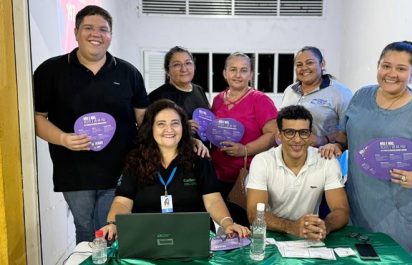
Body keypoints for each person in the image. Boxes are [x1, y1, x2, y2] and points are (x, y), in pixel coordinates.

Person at [321, 41, 412, 256]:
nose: (391, 74)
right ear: (378, 66)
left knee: (391, 258)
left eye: (401, 69)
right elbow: (346, 135)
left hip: (396, 210)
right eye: (386, 66)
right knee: (355, 257)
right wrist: (336, 144)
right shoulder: (362, 96)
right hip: (356, 201)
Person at [33, 5, 149, 243]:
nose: (96, 34)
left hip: (121, 170)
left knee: (112, 232)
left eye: (103, 29)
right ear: (76, 32)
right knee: (86, 231)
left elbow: (144, 119)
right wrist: (63, 139)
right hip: (74, 172)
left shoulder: (128, 73)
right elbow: (37, 118)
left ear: (110, 36)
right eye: (88, 27)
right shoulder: (50, 71)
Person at [100, 99, 250, 240]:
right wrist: (113, 224)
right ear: (150, 128)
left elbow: (213, 200)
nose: (169, 129)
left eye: (175, 123)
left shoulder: (199, 159)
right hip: (146, 237)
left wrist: (227, 224)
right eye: (161, 124)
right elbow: (123, 202)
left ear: (183, 127)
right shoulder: (135, 161)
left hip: (192, 237)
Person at [246, 105, 349, 240]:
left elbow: (341, 210)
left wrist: (325, 226)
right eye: (289, 132)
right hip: (270, 235)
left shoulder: (326, 161)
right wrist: (291, 227)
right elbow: (254, 214)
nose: (297, 139)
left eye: (303, 132)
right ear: (279, 135)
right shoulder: (262, 161)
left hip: (309, 234)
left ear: (310, 134)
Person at [211, 52, 278, 198]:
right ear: (225, 73)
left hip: (248, 178)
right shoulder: (218, 99)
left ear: (251, 74)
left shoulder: (260, 100)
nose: (238, 75)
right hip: (218, 175)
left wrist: (245, 150)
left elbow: (273, 135)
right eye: (233, 69)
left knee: (246, 219)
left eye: (243, 70)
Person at [281, 46, 352, 147]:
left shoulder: (340, 92)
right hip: (291, 157)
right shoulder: (290, 90)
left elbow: (351, 131)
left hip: (324, 158)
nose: (304, 68)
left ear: (322, 64)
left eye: (309, 62)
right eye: (299, 64)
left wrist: (323, 140)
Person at [148, 46, 210, 136]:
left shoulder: (199, 90)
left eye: (188, 63)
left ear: (194, 66)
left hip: (203, 149)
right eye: (177, 64)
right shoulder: (158, 96)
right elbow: (148, 130)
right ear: (167, 71)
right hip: (176, 149)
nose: (184, 69)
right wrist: (181, 127)